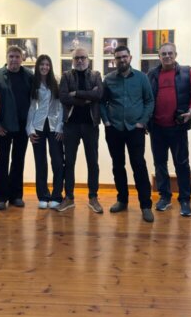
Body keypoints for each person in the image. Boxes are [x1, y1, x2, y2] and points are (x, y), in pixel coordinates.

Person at [100, 46, 155, 222]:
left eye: (124, 56)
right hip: (114, 129)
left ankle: (145, 205)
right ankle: (122, 200)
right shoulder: (108, 79)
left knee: (139, 165)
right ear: (114, 60)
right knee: (118, 166)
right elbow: (101, 102)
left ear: (130, 57)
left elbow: (149, 101)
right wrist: (106, 122)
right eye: (118, 57)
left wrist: (142, 122)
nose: (122, 60)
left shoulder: (141, 78)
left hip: (135, 129)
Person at [147, 42, 191, 217]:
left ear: (175, 54)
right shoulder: (152, 74)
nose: (167, 56)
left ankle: (185, 199)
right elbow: (146, 98)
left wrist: (190, 112)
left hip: (178, 127)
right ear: (159, 56)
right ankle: (164, 197)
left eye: (170, 53)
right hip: (157, 128)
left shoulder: (186, 71)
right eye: (163, 54)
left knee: (182, 164)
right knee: (160, 164)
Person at [57, 47, 103, 213]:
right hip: (71, 125)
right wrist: (86, 98)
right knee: (69, 162)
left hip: (91, 125)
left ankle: (93, 197)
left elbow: (99, 95)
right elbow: (63, 97)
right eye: (77, 58)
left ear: (88, 59)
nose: (80, 60)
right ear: (72, 60)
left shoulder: (96, 75)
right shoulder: (66, 76)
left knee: (93, 162)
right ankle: (69, 197)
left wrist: (76, 93)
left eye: (83, 57)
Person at [0, 46, 33, 210]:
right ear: (6, 57)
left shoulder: (29, 76)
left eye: (17, 56)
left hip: (23, 125)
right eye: (11, 56)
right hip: (3, 125)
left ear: (22, 58)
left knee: (18, 159)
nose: (14, 59)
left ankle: (16, 195)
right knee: (2, 159)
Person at [26, 55, 65, 209]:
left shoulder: (56, 82)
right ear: (37, 66)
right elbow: (31, 107)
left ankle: (56, 195)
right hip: (38, 126)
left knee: (57, 161)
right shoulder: (33, 84)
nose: (44, 67)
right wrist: (30, 129)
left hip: (54, 126)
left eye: (47, 64)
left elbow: (61, 107)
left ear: (50, 66)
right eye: (42, 64)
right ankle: (43, 195)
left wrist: (61, 127)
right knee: (40, 162)